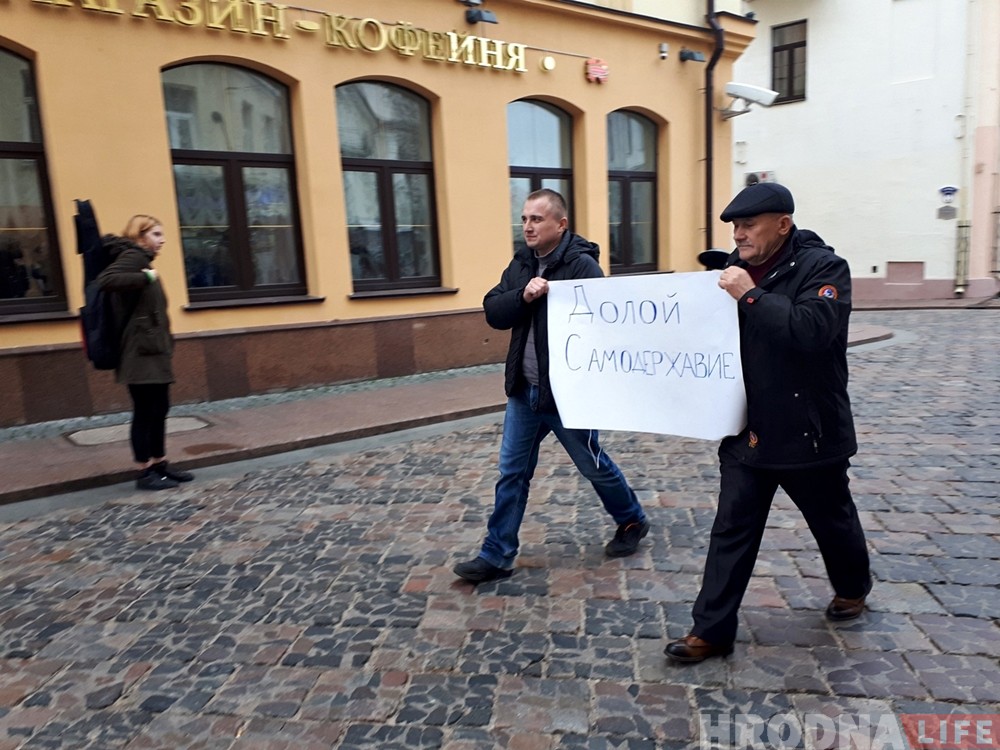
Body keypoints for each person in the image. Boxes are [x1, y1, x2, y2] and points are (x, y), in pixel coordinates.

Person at [665, 182, 871, 663]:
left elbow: (813, 331)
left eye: (748, 225)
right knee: (731, 528)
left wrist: (751, 296)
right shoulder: (730, 272)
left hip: (808, 430)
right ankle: (711, 630)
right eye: (735, 226)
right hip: (747, 431)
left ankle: (852, 587)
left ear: (783, 224)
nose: (739, 234)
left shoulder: (824, 268)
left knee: (831, 520)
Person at [453, 189, 650, 583]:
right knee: (512, 472)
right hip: (524, 391)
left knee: (592, 466)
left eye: (536, 219)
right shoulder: (522, 263)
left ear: (560, 224)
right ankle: (497, 554)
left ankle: (631, 519)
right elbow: (494, 310)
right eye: (524, 218)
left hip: (566, 395)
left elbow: (603, 328)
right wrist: (524, 296)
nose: (527, 226)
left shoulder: (581, 267)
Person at [97, 215, 193, 491]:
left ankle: (160, 464)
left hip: (152, 350)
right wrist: (145, 276)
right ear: (140, 237)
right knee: (145, 411)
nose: (162, 240)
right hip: (139, 353)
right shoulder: (133, 257)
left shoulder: (141, 258)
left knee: (160, 408)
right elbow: (107, 280)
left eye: (162, 235)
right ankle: (144, 471)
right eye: (156, 234)